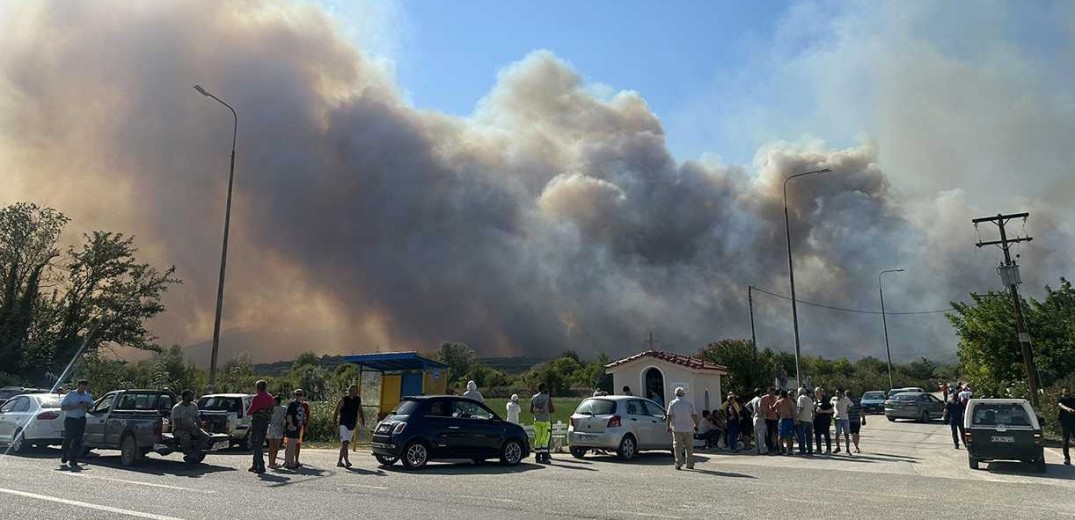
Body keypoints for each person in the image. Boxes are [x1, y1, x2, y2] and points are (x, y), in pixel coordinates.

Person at [59, 379, 94, 469]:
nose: (83, 390)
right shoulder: (71, 395)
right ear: (78, 386)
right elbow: (63, 407)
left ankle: (73, 459)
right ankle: (64, 454)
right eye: (81, 387)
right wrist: (75, 406)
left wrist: (86, 405)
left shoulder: (87, 396)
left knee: (78, 440)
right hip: (70, 419)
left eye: (85, 388)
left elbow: (92, 406)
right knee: (68, 438)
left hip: (81, 419)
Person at [333, 384, 366, 468]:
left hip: (352, 423)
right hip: (343, 423)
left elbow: (360, 410)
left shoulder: (358, 400)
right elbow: (336, 411)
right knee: (344, 443)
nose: (355, 392)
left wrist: (362, 420)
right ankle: (347, 461)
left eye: (356, 391)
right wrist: (335, 423)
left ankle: (339, 461)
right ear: (350, 391)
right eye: (353, 391)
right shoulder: (344, 400)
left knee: (346, 443)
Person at [246, 379, 275, 474]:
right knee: (259, 443)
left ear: (258, 388)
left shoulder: (257, 398)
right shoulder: (270, 397)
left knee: (256, 444)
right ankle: (255, 464)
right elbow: (272, 410)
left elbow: (250, 411)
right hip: (265, 422)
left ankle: (260, 465)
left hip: (257, 422)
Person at [666, 387, 699, 470]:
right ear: (684, 394)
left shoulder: (672, 403)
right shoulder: (688, 403)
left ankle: (678, 463)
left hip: (677, 428)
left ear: (675, 394)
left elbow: (669, 415)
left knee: (677, 447)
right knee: (689, 447)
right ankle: (690, 463)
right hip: (688, 428)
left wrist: (668, 426)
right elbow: (694, 414)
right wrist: (696, 424)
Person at [531, 384, 554, 463]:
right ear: (544, 389)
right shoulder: (547, 397)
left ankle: (537, 458)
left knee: (537, 439)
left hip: (537, 420)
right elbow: (552, 409)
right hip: (545, 420)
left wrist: (537, 412)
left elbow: (531, 410)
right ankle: (544, 458)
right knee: (545, 439)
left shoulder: (534, 397)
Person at [284, 389, 307, 470]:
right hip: (292, 427)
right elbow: (289, 415)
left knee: (292, 444)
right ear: (294, 395)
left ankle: (288, 462)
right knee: (291, 445)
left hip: (298, 427)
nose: (299, 396)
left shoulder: (300, 404)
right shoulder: (292, 404)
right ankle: (290, 462)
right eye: (297, 394)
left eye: (300, 394)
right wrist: (291, 424)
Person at [746, 388, 768, 455]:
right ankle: (762, 450)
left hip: (754, 418)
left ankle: (757, 449)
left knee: (756, 435)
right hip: (760, 417)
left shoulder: (753, 399)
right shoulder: (759, 399)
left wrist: (752, 412)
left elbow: (747, 406)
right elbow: (760, 406)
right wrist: (762, 413)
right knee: (761, 435)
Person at [774, 389, 796, 455]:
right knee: (789, 436)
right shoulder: (790, 401)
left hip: (782, 419)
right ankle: (789, 450)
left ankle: (780, 450)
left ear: (781, 394)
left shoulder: (779, 401)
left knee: (780, 436)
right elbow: (792, 410)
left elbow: (773, 407)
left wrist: (777, 411)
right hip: (789, 419)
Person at [266, 395, 286, 469]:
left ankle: (270, 462)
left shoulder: (271, 408)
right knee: (276, 447)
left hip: (271, 427)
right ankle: (272, 462)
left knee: (271, 446)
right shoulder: (283, 408)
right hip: (278, 427)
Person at [831, 389, 853, 454]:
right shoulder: (833, 399)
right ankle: (838, 447)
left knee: (846, 434)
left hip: (845, 418)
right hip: (837, 418)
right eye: (836, 393)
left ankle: (847, 449)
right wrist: (833, 410)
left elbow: (851, 405)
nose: (837, 394)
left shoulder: (846, 399)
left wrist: (847, 410)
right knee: (837, 433)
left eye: (838, 393)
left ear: (841, 393)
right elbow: (831, 404)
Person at [813, 387, 834, 454]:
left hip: (825, 420)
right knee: (817, 435)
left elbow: (831, 410)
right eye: (815, 392)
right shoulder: (815, 400)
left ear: (821, 392)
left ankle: (828, 449)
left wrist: (823, 411)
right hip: (817, 420)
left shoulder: (825, 401)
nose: (816, 394)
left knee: (826, 434)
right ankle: (818, 449)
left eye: (818, 392)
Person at [795, 387, 814, 455]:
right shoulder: (809, 399)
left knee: (801, 436)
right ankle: (810, 450)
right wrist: (812, 419)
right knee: (809, 437)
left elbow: (801, 407)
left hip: (802, 419)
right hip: (809, 420)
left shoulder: (800, 398)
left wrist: (797, 416)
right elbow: (812, 411)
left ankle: (802, 450)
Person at [760, 387, 778, 455]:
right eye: (772, 392)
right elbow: (761, 407)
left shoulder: (776, 398)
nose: (773, 394)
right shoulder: (764, 398)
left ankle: (776, 446)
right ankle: (769, 447)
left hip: (775, 418)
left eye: (774, 392)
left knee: (776, 433)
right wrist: (764, 413)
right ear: (769, 392)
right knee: (768, 434)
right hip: (767, 418)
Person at [1058, 387, 1074, 465]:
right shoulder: (1061, 399)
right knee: (1065, 440)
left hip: (1073, 422)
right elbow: (1060, 405)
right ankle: (1067, 458)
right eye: (1065, 391)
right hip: (1064, 422)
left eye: (1068, 391)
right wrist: (1067, 409)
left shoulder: (1073, 400)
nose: (1066, 392)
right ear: (1062, 392)